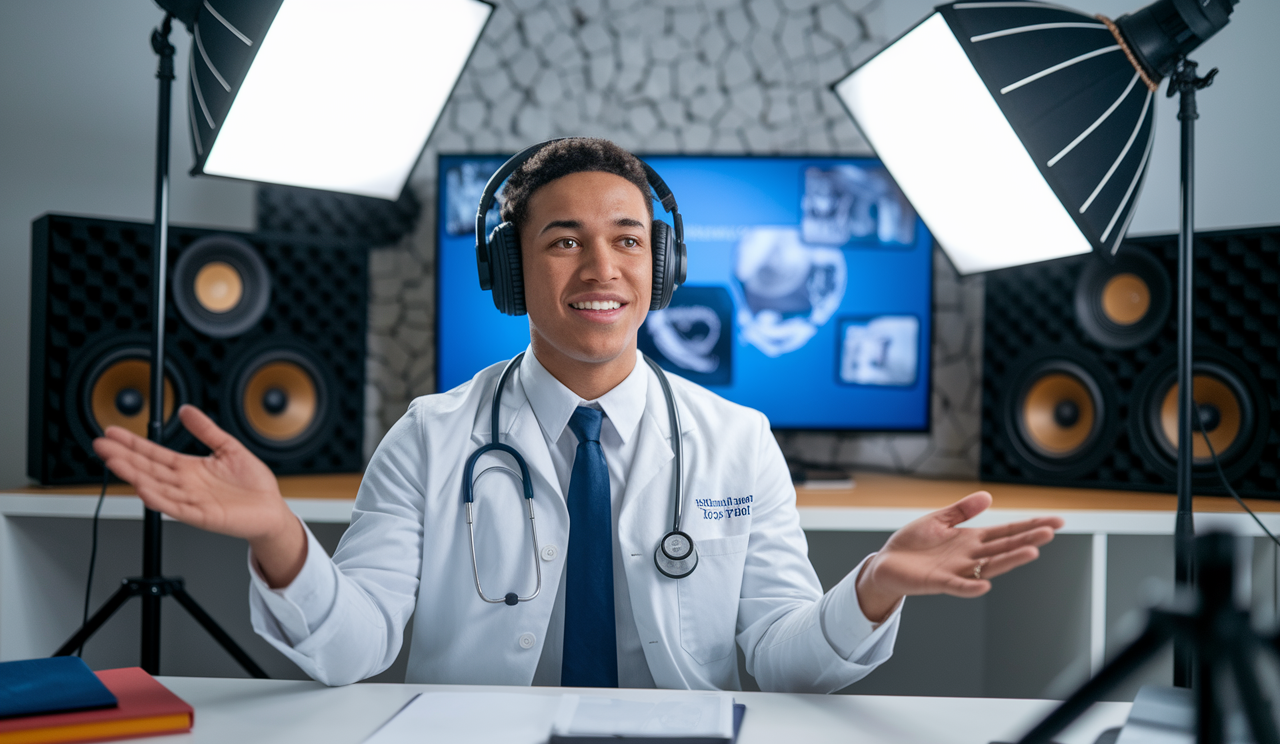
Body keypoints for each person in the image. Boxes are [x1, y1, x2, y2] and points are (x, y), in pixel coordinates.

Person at [94, 138, 1060, 692]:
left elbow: (783, 661)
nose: (602, 270)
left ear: (661, 267)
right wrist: (278, 537)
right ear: (512, 273)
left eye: (628, 240)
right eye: (564, 242)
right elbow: (354, 649)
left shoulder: (739, 441)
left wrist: (875, 587)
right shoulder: (429, 437)